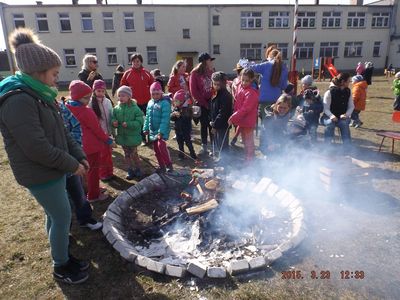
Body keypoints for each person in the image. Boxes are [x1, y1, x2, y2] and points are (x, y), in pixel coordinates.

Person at [0, 28, 89, 284]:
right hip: (39, 173)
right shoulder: (19, 100)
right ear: (38, 73)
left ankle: (61, 254)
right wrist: (72, 165)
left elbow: (62, 132)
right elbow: (36, 147)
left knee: (55, 215)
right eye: (53, 74)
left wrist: (79, 155)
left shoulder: (41, 96)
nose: (55, 80)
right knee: (61, 216)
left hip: (53, 168)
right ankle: (61, 266)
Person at [58, 100, 103, 231]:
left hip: (71, 161)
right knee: (60, 203)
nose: (56, 80)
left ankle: (85, 218)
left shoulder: (58, 106)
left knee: (79, 193)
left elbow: (75, 128)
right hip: (53, 166)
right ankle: (64, 231)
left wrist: (78, 155)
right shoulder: (31, 108)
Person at [67, 80, 112, 202]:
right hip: (91, 147)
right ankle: (93, 195)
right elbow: (97, 130)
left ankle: (91, 188)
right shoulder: (86, 111)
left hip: (76, 147)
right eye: (86, 98)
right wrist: (107, 140)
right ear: (78, 97)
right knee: (93, 171)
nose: (88, 100)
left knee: (84, 171)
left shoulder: (67, 107)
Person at [120, 53, 154, 144]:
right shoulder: (127, 74)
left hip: (147, 101)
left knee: (149, 119)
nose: (136, 63)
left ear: (141, 62)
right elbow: (123, 88)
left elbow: (153, 86)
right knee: (138, 121)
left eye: (138, 61)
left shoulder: (147, 73)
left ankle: (151, 137)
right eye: (134, 61)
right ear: (131, 62)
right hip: (134, 102)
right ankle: (143, 138)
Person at [112, 86, 144, 179]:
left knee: (134, 154)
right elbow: (113, 118)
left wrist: (129, 124)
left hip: (133, 137)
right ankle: (130, 170)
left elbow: (140, 121)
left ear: (129, 96)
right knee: (126, 155)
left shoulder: (135, 108)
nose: (121, 98)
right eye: (119, 96)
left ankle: (138, 169)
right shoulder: (117, 108)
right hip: (123, 136)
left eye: (123, 96)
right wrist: (114, 123)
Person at [228, 68, 259, 162]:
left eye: (247, 81)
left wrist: (233, 117)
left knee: (249, 143)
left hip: (248, 121)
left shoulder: (251, 93)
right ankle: (247, 158)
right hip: (241, 120)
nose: (244, 82)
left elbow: (245, 109)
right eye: (243, 80)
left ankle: (250, 161)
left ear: (251, 80)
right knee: (245, 142)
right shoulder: (240, 86)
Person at [143, 82, 172, 172]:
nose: (155, 96)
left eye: (157, 94)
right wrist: (146, 128)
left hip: (161, 130)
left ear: (161, 93)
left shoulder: (165, 103)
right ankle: (161, 165)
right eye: (153, 94)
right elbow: (147, 117)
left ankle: (168, 165)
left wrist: (161, 132)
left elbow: (165, 119)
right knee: (156, 149)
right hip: (153, 130)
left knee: (161, 147)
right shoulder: (150, 103)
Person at [89, 79, 114, 181]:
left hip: (108, 132)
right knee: (102, 155)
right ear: (94, 91)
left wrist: (113, 124)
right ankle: (103, 174)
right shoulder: (91, 103)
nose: (101, 93)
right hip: (98, 134)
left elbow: (111, 115)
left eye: (103, 91)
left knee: (108, 154)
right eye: (98, 91)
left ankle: (110, 172)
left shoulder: (107, 101)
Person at [189, 52, 214, 155]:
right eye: (209, 60)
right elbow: (193, 91)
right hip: (202, 104)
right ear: (204, 61)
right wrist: (204, 103)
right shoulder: (194, 73)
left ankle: (213, 146)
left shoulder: (211, 71)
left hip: (212, 102)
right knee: (204, 125)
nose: (210, 62)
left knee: (212, 125)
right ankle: (204, 146)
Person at [322, 73, 354, 146]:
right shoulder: (329, 92)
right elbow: (326, 108)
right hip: (328, 117)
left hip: (342, 118)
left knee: (344, 123)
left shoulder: (348, 91)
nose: (350, 82)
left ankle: (347, 146)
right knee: (330, 123)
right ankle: (327, 146)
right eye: (348, 81)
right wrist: (332, 116)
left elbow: (351, 106)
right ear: (343, 82)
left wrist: (346, 115)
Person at [210, 71, 233, 159]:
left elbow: (222, 113)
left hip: (223, 125)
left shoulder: (225, 96)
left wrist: (215, 126)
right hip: (217, 123)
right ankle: (220, 158)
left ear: (223, 83)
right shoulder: (217, 94)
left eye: (218, 84)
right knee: (218, 143)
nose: (216, 86)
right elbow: (214, 109)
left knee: (223, 144)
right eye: (214, 84)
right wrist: (212, 121)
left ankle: (224, 161)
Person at [170, 89, 197, 160]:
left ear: (182, 101)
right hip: (178, 130)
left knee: (188, 142)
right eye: (174, 100)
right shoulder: (176, 108)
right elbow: (172, 119)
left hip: (186, 130)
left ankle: (193, 154)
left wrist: (181, 115)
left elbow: (188, 118)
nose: (174, 102)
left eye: (176, 101)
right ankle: (181, 155)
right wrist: (173, 115)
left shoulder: (187, 108)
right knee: (180, 143)